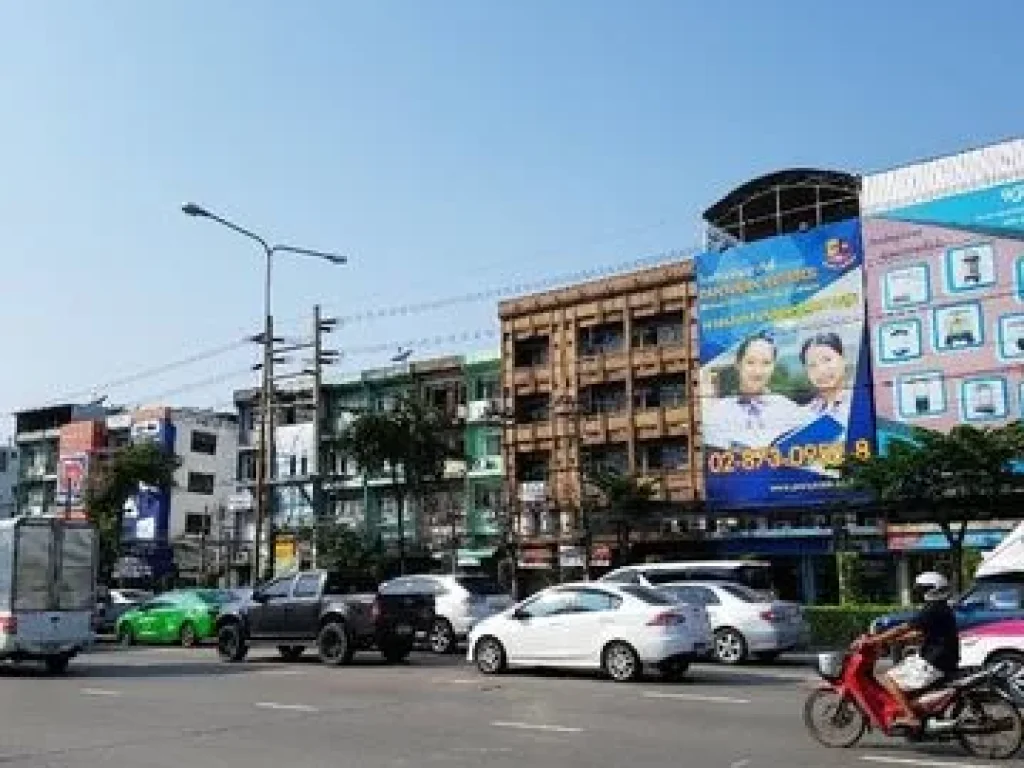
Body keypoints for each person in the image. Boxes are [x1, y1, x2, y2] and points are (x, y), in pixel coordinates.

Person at [860, 572, 959, 729]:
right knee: (903, 668)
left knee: (888, 679)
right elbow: (919, 632)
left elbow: (904, 627)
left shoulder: (932, 609)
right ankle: (916, 709)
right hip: (940, 658)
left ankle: (911, 716)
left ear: (931, 590)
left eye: (921, 589)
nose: (919, 593)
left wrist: (874, 640)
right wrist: (894, 640)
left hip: (933, 661)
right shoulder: (941, 607)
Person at [703, 331, 803, 449]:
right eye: (750, 362)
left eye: (766, 363)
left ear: (773, 366)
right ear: (738, 364)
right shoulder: (718, 411)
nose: (758, 371)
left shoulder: (789, 409)